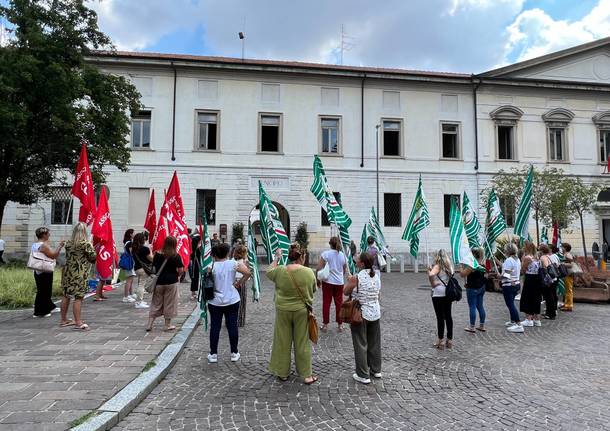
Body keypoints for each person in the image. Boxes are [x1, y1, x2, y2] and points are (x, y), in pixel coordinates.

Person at [267, 244, 318, 384]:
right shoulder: (308, 272)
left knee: (282, 341)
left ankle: (282, 373)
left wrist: (277, 257)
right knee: (302, 342)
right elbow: (313, 289)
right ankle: (307, 375)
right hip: (302, 310)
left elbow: (268, 271)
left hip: (283, 310)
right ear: (302, 257)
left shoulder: (281, 270)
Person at [207, 242, 251, 363]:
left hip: (215, 300)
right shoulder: (233, 263)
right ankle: (234, 353)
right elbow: (247, 273)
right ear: (227, 253)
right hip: (232, 299)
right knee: (232, 326)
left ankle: (213, 354)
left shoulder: (212, 265)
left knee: (215, 327)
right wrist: (238, 283)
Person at [344, 252, 382, 385]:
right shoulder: (376, 276)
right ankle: (376, 369)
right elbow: (378, 293)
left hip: (360, 313)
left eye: (357, 259)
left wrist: (350, 281)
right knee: (374, 342)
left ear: (362, 263)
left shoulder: (356, 278)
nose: (356, 261)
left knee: (360, 343)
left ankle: (362, 374)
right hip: (375, 312)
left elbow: (346, 291)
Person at [59, 222, 96, 330]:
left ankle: (63, 319)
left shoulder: (68, 243)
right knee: (78, 297)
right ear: (84, 231)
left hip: (67, 272)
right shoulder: (86, 244)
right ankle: (78, 322)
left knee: (66, 295)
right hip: (79, 273)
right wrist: (91, 245)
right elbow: (93, 258)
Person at [146, 236, 184, 332]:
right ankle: (167, 325)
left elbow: (154, 268)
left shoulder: (157, 254)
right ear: (174, 244)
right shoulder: (176, 255)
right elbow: (181, 270)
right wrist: (178, 276)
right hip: (171, 282)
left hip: (159, 282)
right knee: (169, 303)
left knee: (155, 303)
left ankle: (149, 324)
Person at [31, 227, 64, 317]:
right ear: (44, 235)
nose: (49, 235)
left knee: (42, 289)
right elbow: (53, 255)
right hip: (44, 269)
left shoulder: (35, 244)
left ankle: (50, 306)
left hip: (38, 270)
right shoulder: (43, 245)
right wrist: (60, 246)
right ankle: (40, 312)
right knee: (44, 290)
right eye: (48, 233)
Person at [317, 236, 347, 333]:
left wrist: (318, 280)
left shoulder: (326, 254)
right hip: (339, 282)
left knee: (326, 303)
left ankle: (325, 325)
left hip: (328, 282)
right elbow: (344, 270)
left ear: (330, 244)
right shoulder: (342, 255)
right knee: (339, 304)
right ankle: (340, 325)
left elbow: (318, 268)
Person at [428, 249, 454, 349]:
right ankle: (450, 339)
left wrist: (430, 273)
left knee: (440, 317)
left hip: (438, 293)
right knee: (448, 316)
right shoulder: (449, 266)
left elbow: (431, 275)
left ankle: (441, 340)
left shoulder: (438, 266)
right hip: (447, 292)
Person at [460, 247, 486, 333]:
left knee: (472, 306)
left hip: (473, 288)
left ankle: (472, 327)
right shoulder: (482, 264)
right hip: (481, 287)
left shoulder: (472, 266)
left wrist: (461, 266)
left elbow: (462, 274)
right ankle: (482, 325)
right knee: (480, 306)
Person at [502, 243, 523, 333]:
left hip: (509, 285)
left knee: (510, 304)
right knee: (511, 303)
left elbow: (506, 275)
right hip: (516, 283)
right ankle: (513, 321)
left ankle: (518, 324)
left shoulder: (509, 260)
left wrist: (499, 276)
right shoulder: (517, 259)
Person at [520, 241, 542, 327]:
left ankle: (528, 318)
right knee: (536, 298)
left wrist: (522, 261)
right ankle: (537, 319)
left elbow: (522, 270)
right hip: (537, 279)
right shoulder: (537, 257)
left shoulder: (527, 258)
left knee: (527, 297)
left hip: (530, 279)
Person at [131, 232, 151, 309]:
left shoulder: (134, 248)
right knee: (141, 285)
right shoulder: (145, 249)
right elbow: (151, 259)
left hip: (137, 268)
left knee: (140, 284)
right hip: (143, 269)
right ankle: (139, 302)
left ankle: (139, 300)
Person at [233, 245, 249, 327]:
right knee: (241, 302)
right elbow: (249, 273)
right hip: (240, 282)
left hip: (235, 282)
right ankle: (239, 320)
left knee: (234, 302)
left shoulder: (234, 260)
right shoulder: (244, 261)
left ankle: (234, 320)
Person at [120, 229, 137, 303]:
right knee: (129, 280)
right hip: (129, 263)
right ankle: (126, 296)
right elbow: (132, 252)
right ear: (130, 234)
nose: (134, 234)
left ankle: (130, 294)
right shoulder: (129, 243)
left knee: (131, 279)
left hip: (128, 262)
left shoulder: (126, 242)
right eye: (133, 233)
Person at [542, 244, 558, 320]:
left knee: (548, 297)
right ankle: (551, 313)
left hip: (548, 280)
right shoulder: (549, 257)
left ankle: (550, 314)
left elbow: (546, 267)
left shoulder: (543, 257)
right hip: (552, 278)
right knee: (550, 296)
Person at [560, 243, 575, 312]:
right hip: (566, 274)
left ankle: (569, 305)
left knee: (569, 290)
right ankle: (566, 304)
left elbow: (571, 265)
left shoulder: (568, 254)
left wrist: (562, 264)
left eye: (562, 247)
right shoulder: (566, 254)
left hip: (569, 274)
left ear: (565, 248)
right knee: (567, 290)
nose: (561, 248)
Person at [189, 235, 201, 301]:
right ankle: (193, 293)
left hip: (200, 263)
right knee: (195, 277)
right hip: (195, 263)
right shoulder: (194, 248)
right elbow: (193, 255)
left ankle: (197, 292)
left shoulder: (199, 247)